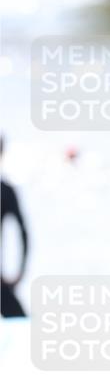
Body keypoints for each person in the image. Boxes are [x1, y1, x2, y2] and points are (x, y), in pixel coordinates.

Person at [0, 135, 29, 318]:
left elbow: (24, 233)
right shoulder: (6, 191)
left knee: (22, 324)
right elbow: (24, 234)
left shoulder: (6, 191)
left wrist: (19, 273)